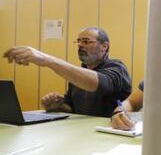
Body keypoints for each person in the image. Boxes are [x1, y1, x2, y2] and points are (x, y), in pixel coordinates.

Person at [3, 27, 132, 117]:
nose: (80, 45)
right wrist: (57, 106)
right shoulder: (79, 74)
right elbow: (72, 109)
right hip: (81, 131)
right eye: (79, 41)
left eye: (86, 41)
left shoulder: (117, 67)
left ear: (105, 47)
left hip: (109, 133)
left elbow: (100, 84)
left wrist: (48, 60)